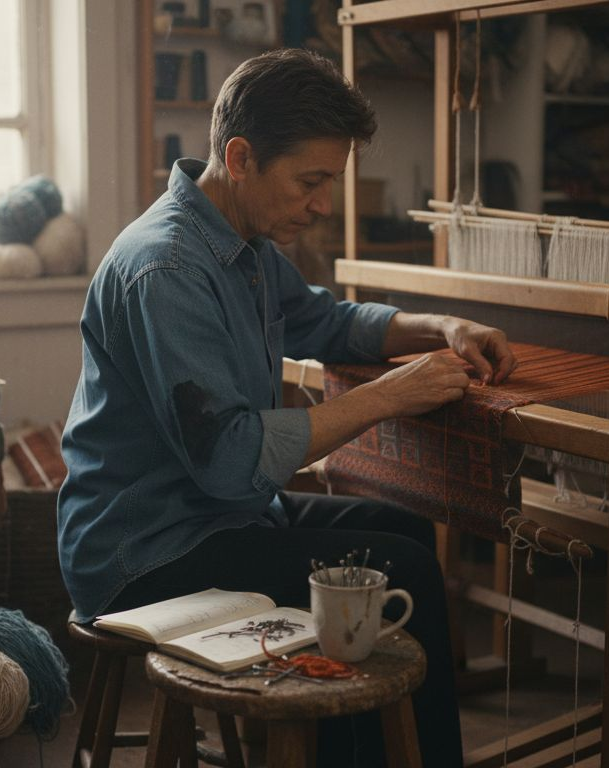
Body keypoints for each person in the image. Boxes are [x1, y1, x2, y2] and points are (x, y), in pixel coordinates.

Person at [59, 48, 516, 766]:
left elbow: (325, 321)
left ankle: (362, 753)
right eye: (311, 181)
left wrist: (442, 326)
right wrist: (390, 396)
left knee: (402, 535)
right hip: (146, 553)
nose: (324, 204)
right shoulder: (168, 268)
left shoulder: (240, 241)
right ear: (241, 158)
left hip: (216, 518)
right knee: (401, 573)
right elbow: (231, 456)